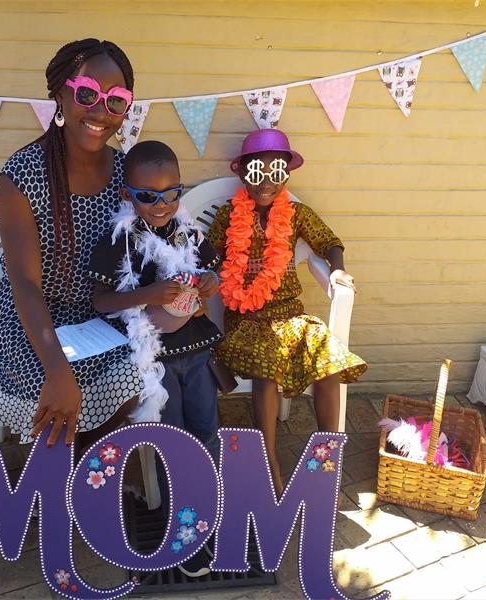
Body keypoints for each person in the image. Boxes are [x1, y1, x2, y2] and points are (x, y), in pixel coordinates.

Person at [0, 39, 143, 449]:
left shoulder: (126, 172)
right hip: (30, 321)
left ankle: (89, 471)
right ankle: (66, 473)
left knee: (142, 369)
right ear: (61, 93)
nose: (101, 111)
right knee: (55, 384)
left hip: (98, 315)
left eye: (116, 100)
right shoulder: (22, 175)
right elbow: (25, 284)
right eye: (87, 94)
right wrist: (58, 370)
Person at [207, 129, 367, 496]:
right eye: (257, 173)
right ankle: (269, 463)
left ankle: (326, 458)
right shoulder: (229, 215)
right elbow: (207, 255)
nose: (266, 182)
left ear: (287, 175)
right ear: (243, 173)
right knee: (266, 368)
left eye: (276, 172)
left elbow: (330, 242)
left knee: (327, 359)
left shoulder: (296, 214)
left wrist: (337, 270)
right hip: (246, 321)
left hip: (290, 315)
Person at [87, 140, 222, 577]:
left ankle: (210, 508)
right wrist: (148, 294)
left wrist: (209, 282)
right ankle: (181, 528)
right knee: (174, 441)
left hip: (196, 352)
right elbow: (101, 300)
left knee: (207, 431)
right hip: (155, 361)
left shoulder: (187, 230)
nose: (162, 205)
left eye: (171, 194)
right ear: (127, 194)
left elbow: (212, 269)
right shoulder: (119, 240)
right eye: (148, 196)